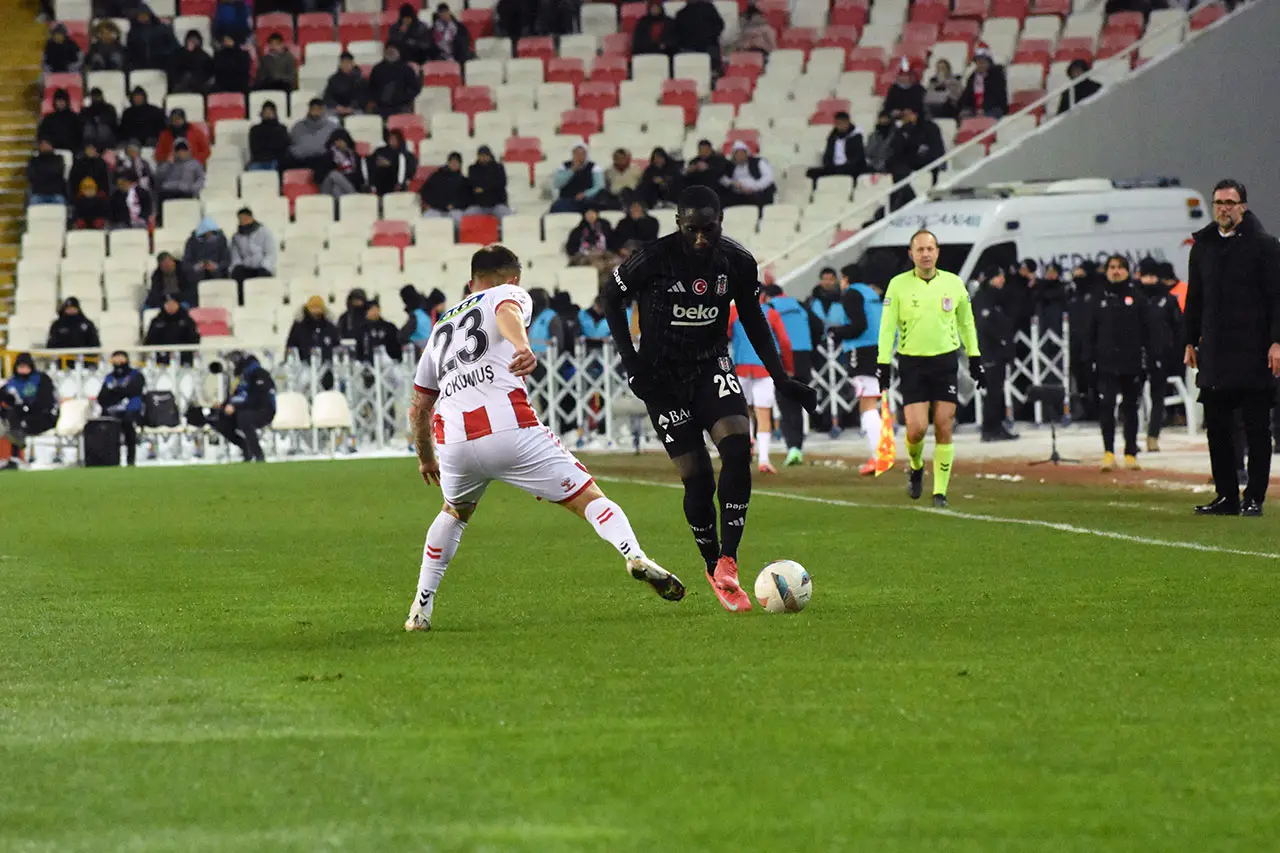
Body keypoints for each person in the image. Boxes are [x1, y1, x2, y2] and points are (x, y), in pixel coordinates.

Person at [404, 244, 686, 631]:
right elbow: (507, 312)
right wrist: (523, 346)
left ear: (471, 282)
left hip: (452, 439)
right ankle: (633, 553)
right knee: (589, 498)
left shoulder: (439, 330)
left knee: (454, 512)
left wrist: (426, 458)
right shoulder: (509, 293)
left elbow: (419, 407)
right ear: (515, 278)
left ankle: (421, 608)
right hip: (509, 427)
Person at [601, 185, 817, 611]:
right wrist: (632, 364)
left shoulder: (736, 261)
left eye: (709, 229)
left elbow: (753, 318)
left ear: (721, 223)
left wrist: (781, 377)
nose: (701, 238)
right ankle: (710, 561)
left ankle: (729, 561)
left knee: (738, 446)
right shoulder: (653, 258)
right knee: (697, 476)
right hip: (662, 378)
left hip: (710, 366)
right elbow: (612, 298)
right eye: (693, 229)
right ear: (679, 224)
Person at [1184, 179, 1280, 517]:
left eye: (1229, 202)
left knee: (1256, 429)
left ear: (1242, 205)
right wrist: (1189, 340)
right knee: (1219, 430)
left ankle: (1254, 496)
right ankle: (1226, 496)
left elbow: (1277, 299)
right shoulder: (1203, 247)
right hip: (1215, 353)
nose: (1223, 208)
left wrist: (1276, 341)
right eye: (1218, 202)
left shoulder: (1265, 246)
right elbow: (1194, 300)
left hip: (1254, 352)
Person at [876, 229, 982, 508]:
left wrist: (975, 357)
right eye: (919, 249)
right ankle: (915, 465)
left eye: (930, 249)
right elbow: (887, 327)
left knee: (945, 424)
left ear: (937, 252)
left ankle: (940, 493)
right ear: (911, 254)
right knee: (917, 428)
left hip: (945, 360)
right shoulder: (898, 285)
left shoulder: (954, 283)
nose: (925, 254)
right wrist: (883, 363)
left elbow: (966, 323)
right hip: (912, 362)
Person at [1085, 255, 1156, 472]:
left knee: (1131, 408)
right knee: (1107, 406)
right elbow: (1089, 333)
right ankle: (1108, 452)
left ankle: (1130, 452)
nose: (1116, 271)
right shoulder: (1098, 299)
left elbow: (1149, 332)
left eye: (1120, 267)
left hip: (1132, 363)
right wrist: (1088, 360)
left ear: (1127, 271)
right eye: (1112, 267)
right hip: (1106, 363)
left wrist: (1150, 360)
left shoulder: (1137, 298)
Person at [727, 292, 793, 473]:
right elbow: (785, 342)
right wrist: (788, 366)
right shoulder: (771, 314)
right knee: (764, 414)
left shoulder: (734, 312)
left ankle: (743, 453)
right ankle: (764, 459)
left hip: (741, 367)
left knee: (742, 412)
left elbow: (723, 335)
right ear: (763, 295)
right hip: (764, 368)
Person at [762, 284, 822, 466]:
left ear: (766, 296)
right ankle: (797, 445)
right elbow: (818, 326)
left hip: (783, 355)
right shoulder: (800, 305)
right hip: (804, 355)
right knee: (797, 401)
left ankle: (793, 447)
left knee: (786, 404)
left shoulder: (770, 308)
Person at [838, 269, 888, 474]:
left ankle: (879, 456)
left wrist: (836, 332)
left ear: (847, 279)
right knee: (874, 401)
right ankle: (881, 452)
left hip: (862, 351)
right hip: (880, 349)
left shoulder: (852, 294)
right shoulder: (873, 295)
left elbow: (858, 326)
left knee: (866, 404)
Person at [1138, 258, 1183, 452]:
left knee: (1158, 396)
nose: (1149, 279)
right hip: (1135, 354)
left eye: (1152, 275)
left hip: (1160, 355)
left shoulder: (1167, 299)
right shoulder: (1133, 297)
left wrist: (1175, 352)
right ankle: (1131, 440)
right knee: (1133, 397)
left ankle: (1153, 435)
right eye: (1145, 275)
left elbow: (1178, 328)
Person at [972, 266, 1019, 441]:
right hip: (990, 351)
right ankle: (990, 428)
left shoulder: (997, 297)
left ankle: (996, 426)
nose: (1002, 280)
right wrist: (1001, 340)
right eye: (999, 276)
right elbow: (985, 325)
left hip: (997, 351)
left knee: (997, 391)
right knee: (993, 392)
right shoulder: (984, 297)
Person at [212, 350, 276, 463]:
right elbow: (235, 397)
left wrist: (236, 407)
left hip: (264, 410)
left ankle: (258, 454)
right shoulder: (239, 379)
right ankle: (245, 448)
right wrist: (223, 406)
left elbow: (258, 399)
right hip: (243, 409)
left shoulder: (259, 374)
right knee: (218, 419)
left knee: (244, 418)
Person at [0, 353, 58, 470]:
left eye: (25, 366)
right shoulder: (12, 383)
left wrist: (26, 407)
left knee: (18, 424)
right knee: (11, 420)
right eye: (20, 366)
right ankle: (13, 457)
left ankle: (19, 456)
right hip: (19, 417)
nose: (23, 369)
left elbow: (46, 402)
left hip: (43, 416)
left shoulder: (41, 380)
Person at [97, 350, 146, 466]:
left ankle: (131, 460)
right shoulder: (109, 378)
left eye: (121, 357)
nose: (118, 360)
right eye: (116, 357)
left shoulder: (136, 375)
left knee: (128, 424)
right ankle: (111, 459)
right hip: (112, 411)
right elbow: (102, 397)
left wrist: (115, 392)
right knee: (106, 427)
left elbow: (134, 390)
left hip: (131, 410)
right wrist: (117, 394)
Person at [229, 207, 277, 300]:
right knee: (237, 274)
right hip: (246, 268)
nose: (243, 221)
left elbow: (271, 252)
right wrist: (238, 266)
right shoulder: (236, 237)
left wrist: (265, 266)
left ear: (251, 218)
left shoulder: (264, 231)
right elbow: (235, 256)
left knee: (263, 276)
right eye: (240, 219)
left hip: (261, 267)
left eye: (245, 218)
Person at [806, 111, 865, 184]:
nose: (839, 126)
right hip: (834, 167)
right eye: (837, 124)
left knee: (846, 170)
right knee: (811, 172)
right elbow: (828, 154)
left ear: (847, 122)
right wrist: (828, 164)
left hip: (850, 166)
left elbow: (858, 156)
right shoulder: (833, 137)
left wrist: (845, 164)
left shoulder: (856, 136)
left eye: (841, 123)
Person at [366, 43, 422, 118]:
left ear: (399, 52)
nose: (391, 52)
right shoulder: (377, 69)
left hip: (401, 107)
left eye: (393, 50)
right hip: (380, 107)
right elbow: (371, 87)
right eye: (389, 50)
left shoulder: (407, 69)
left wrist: (405, 98)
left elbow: (416, 88)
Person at [144, 294, 201, 365]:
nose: (170, 306)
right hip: (161, 358)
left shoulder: (187, 320)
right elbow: (149, 340)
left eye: (173, 303)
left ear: (178, 304)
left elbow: (194, 338)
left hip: (183, 357)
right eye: (167, 304)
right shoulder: (156, 321)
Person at [551, 143, 605, 214]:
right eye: (577, 154)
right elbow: (557, 184)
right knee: (556, 207)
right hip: (567, 199)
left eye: (582, 154)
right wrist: (572, 170)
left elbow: (599, 186)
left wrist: (585, 194)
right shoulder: (564, 166)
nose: (579, 156)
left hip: (587, 199)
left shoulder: (594, 167)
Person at [286, 296, 341, 365]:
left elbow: (337, 347)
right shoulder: (299, 326)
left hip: (327, 369)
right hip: (303, 368)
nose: (315, 311)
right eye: (313, 308)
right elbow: (291, 347)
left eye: (318, 308)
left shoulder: (330, 327)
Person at [719, 140, 775, 208]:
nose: (740, 156)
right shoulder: (731, 165)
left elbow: (768, 177)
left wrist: (754, 188)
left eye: (742, 153)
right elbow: (723, 178)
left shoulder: (758, 162)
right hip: (738, 193)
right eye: (737, 154)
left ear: (746, 153)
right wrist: (733, 183)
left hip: (757, 192)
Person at [958, 45, 1009, 119]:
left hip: (994, 107)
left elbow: (996, 95)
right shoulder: (973, 76)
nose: (980, 64)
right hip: (975, 108)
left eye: (983, 62)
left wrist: (984, 108)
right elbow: (967, 94)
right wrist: (964, 107)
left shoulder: (997, 75)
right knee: (964, 116)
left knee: (986, 118)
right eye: (978, 62)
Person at [673, 0, 724, 73]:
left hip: (707, 47)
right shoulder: (681, 14)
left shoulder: (708, 8)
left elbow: (719, 25)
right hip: (691, 49)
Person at [420, 152, 471, 223]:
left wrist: (454, 205)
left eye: (456, 162)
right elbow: (425, 191)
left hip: (454, 210)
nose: (454, 164)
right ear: (448, 163)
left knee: (460, 220)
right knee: (427, 217)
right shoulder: (437, 176)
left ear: (460, 164)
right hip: (436, 209)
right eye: (452, 161)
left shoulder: (463, 181)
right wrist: (436, 204)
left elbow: (466, 198)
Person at [154, 139, 206, 209]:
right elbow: (158, 178)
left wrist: (193, 188)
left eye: (184, 150)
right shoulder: (169, 164)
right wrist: (168, 164)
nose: (182, 153)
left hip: (188, 191)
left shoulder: (195, 164)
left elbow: (201, 179)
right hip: (170, 191)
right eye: (179, 150)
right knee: (161, 195)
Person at [290, 99, 339, 171]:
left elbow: (336, 149)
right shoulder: (297, 127)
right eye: (313, 109)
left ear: (323, 110)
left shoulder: (333, 128)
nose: (316, 112)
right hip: (301, 163)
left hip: (325, 165)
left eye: (319, 109)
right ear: (309, 110)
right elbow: (293, 148)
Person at [126, 5, 179, 71]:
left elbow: (175, 47)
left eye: (144, 14)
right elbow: (130, 53)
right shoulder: (132, 33)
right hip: (139, 67)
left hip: (163, 65)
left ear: (149, 15)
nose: (142, 17)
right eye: (139, 15)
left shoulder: (163, 29)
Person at [365, 129, 417, 196]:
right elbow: (371, 165)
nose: (393, 140)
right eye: (391, 138)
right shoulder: (380, 151)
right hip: (381, 184)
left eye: (395, 139)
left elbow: (410, 172)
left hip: (400, 186)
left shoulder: (408, 156)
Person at [463, 145, 511, 216]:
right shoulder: (473, 169)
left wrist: (483, 188)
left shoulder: (498, 168)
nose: (484, 158)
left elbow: (501, 184)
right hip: (479, 205)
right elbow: (473, 184)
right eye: (481, 155)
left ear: (490, 156)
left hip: (497, 204)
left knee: (507, 216)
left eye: (486, 155)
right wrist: (489, 186)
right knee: (467, 215)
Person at [317, 128, 365, 197]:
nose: (339, 143)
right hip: (327, 187)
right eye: (336, 141)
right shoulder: (327, 156)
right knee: (334, 174)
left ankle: (340, 206)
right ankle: (354, 195)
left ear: (347, 141)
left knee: (336, 189)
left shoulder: (354, 156)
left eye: (342, 140)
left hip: (343, 188)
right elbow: (320, 177)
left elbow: (359, 177)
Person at [182, 215, 231, 282]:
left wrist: (215, 266)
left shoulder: (221, 240)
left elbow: (226, 260)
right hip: (197, 274)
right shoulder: (192, 241)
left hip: (217, 273)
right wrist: (197, 266)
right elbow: (186, 262)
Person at [355, 299, 403, 364]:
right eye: (371, 310)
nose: (374, 312)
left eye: (376, 309)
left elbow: (396, 345)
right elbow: (359, 348)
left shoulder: (389, 327)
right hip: (367, 363)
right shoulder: (362, 329)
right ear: (366, 312)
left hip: (389, 362)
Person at [247, 101, 290, 171]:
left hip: (276, 161)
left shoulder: (282, 128)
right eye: (266, 112)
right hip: (258, 161)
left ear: (275, 113)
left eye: (270, 112)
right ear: (262, 114)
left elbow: (283, 147)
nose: (268, 114)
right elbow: (255, 148)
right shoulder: (255, 129)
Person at [169, 30, 214, 94]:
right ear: (186, 40)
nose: (192, 42)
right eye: (190, 40)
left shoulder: (204, 56)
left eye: (195, 40)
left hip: (199, 87)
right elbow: (173, 72)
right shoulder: (178, 54)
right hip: (180, 85)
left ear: (199, 42)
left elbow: (209, 73)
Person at [37, 88, 82, 153]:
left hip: (70, 152)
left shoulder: (74, 117)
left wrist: (77, 150)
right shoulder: (49, 118)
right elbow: (42, 134)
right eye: (58, 100)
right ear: (55, 102)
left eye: (63, 100)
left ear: (67, 101)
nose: (61, 103)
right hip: (52, 152)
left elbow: (79, 135)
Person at [323, 51, 366, 117]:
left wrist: (352, 107)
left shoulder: (359, 79)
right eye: (343, 62)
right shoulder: (333, 79)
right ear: (340, 64)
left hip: (354, 109)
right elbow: (327, 97)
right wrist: (337, 106)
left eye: (348, 62)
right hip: (336, 109)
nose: (346, 65)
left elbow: (362, 97)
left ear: (353, 64)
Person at [27, 138, 67, 205]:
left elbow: (58, 173)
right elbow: (31, 176)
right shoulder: (33, 160)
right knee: (33, 201)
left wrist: (43, 173)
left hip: (56, 192)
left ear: (51, 145)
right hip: (38, 193)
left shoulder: (59, 159)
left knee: (60, 200)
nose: (44, 146)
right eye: (42, 144)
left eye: (46, 143)